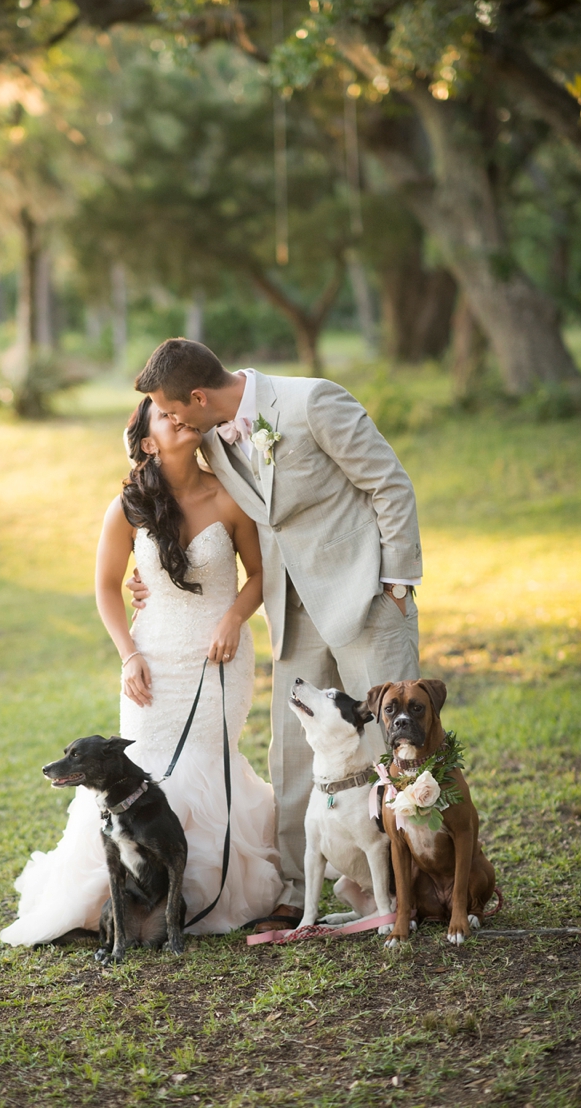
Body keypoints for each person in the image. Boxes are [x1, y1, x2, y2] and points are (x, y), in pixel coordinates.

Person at [129, 339, 422, 930]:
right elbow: (174, 493)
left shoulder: (313, 402)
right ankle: (296, 888)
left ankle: (423, 881)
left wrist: (395, 580)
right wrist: (151, 573)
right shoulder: (209, 432)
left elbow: (389, 483)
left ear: (199, 395)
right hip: (291, 607)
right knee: (291, 752)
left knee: (402, 741)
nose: (174, 421)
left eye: (174, 409)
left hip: (365, 594)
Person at [0, 396, 282, 947]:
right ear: (148, 441)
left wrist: (233, 618)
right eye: (164, 414)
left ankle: (196, 899)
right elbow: (107, 588)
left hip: (220, 659)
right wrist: (129, 654)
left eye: (181, 410)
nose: (177, 416)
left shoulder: (228, 495)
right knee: (143, 766)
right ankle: (119, 896)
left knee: (205, 760)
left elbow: (261, 574)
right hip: (152, 659)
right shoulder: (126, 507)